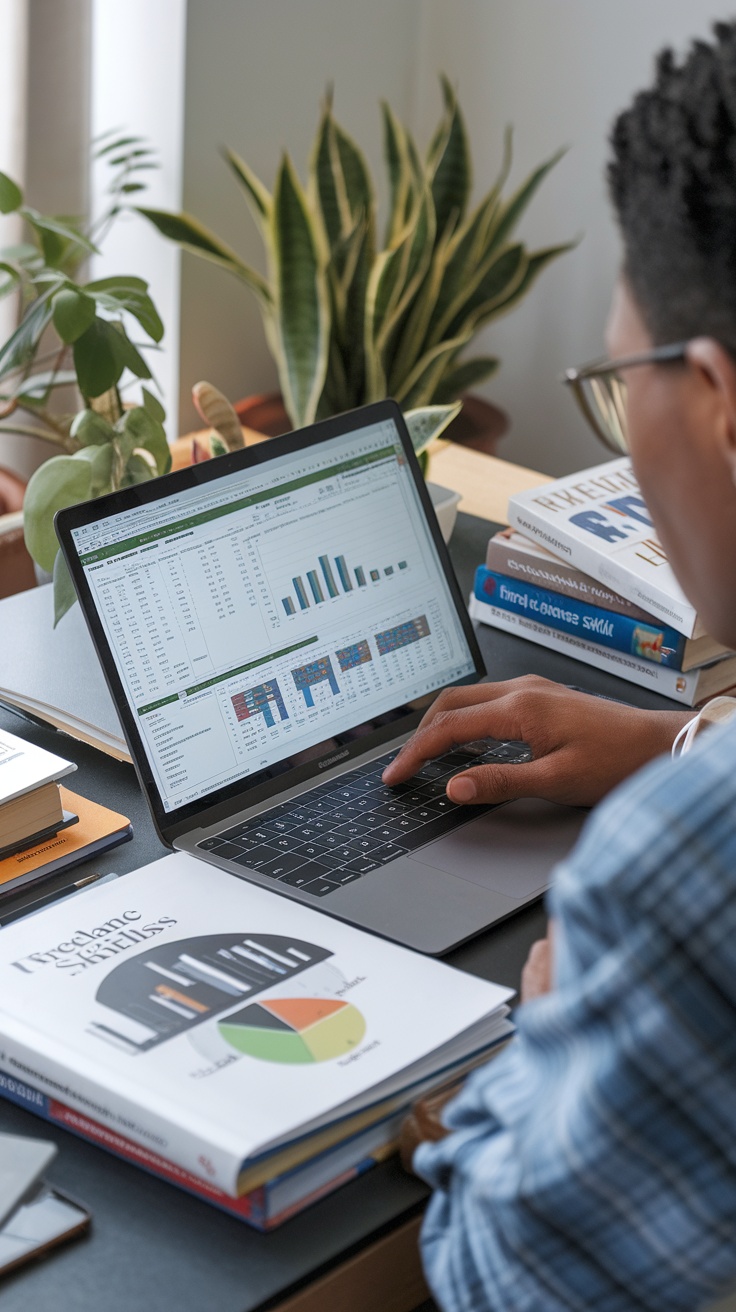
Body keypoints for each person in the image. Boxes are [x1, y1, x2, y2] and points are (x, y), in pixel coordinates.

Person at [381, 23, 736, 1312]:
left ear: (715, 399)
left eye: (615, 381)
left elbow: (496, 1278)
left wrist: (543, 1028)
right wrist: (674, 737)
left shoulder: (679, 869)